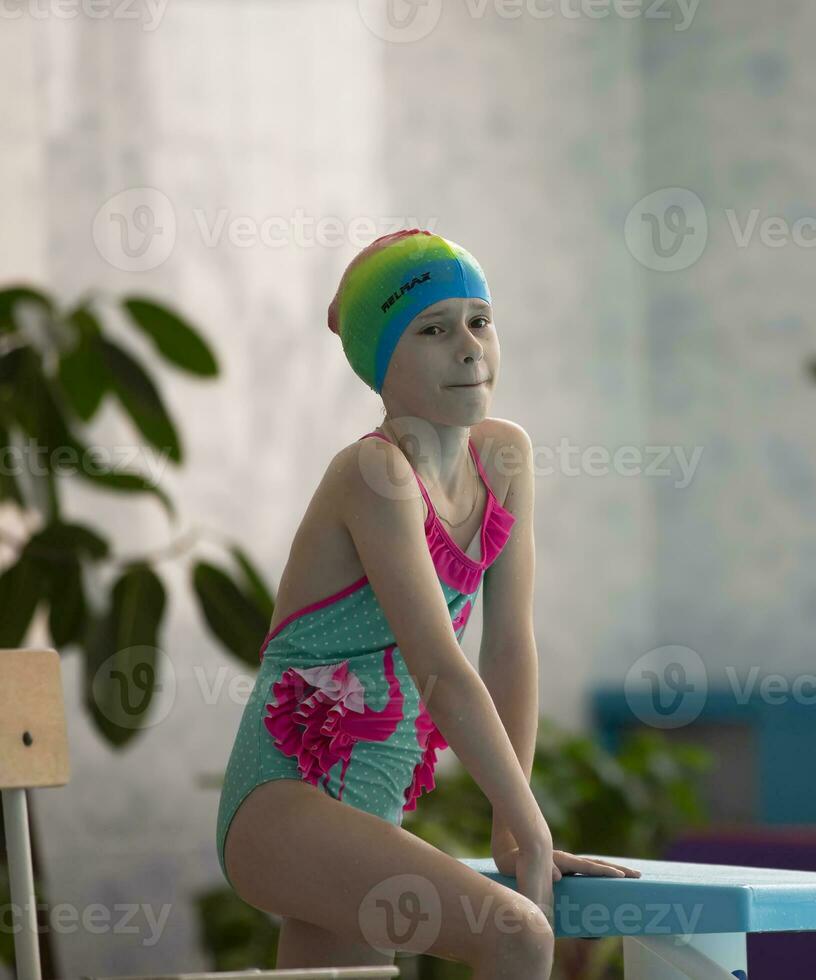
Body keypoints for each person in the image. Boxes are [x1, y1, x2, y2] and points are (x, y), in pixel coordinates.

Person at [214, 229, 638, 978]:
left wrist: (513, 830)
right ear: (382, 362)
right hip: (283, 805)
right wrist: (534, 838)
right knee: (515, 933)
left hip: (371, 810)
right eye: (434, 330)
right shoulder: (375, 474)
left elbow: (509, 648)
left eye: (479, 320)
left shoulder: (503, 457)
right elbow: (442, 670)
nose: (469, 348)